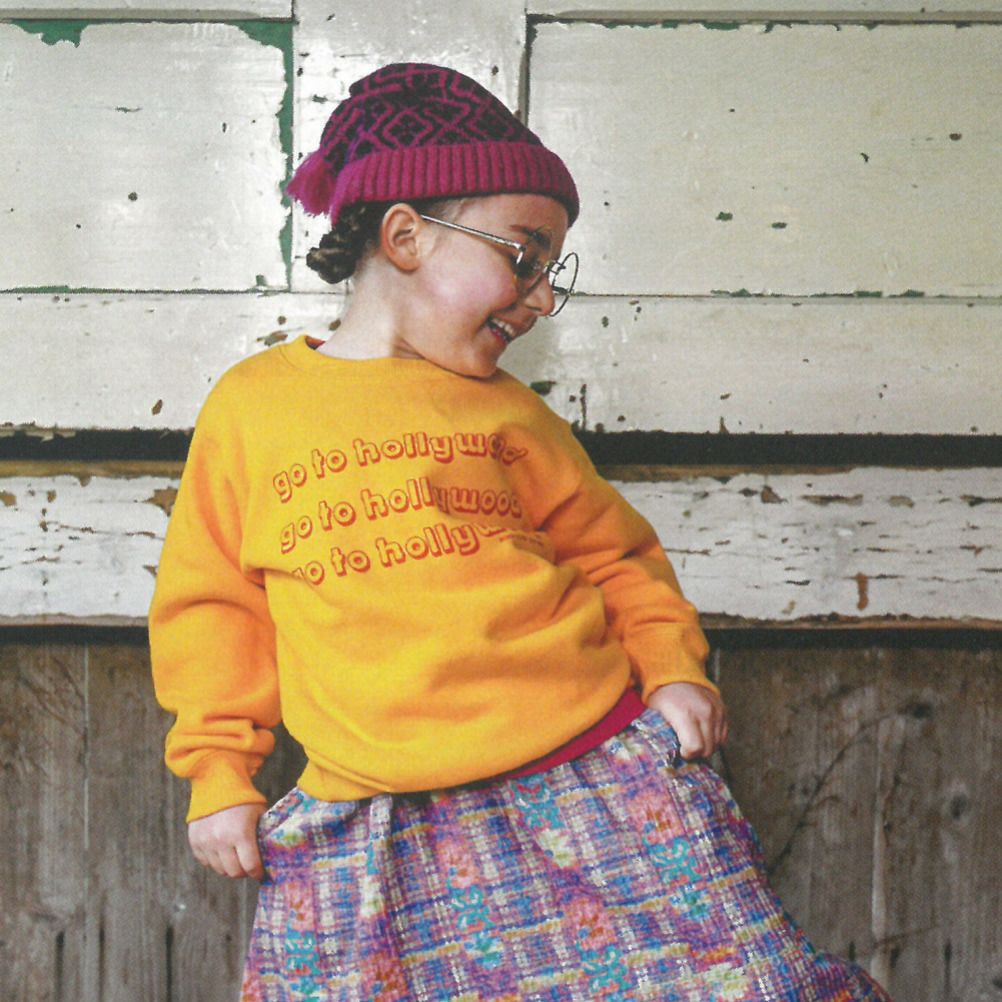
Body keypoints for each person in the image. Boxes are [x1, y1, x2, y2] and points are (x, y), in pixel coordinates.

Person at [150, 62, 891, 1001]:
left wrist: (672, 670)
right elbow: (214, 606)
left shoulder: (509, 415)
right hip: (377, 820)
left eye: (551, 272)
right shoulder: (254, 408)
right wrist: (219, 772)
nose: (541, 298)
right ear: (406, 235)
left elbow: (614, 556)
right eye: (524, 256)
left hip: (594, 782)